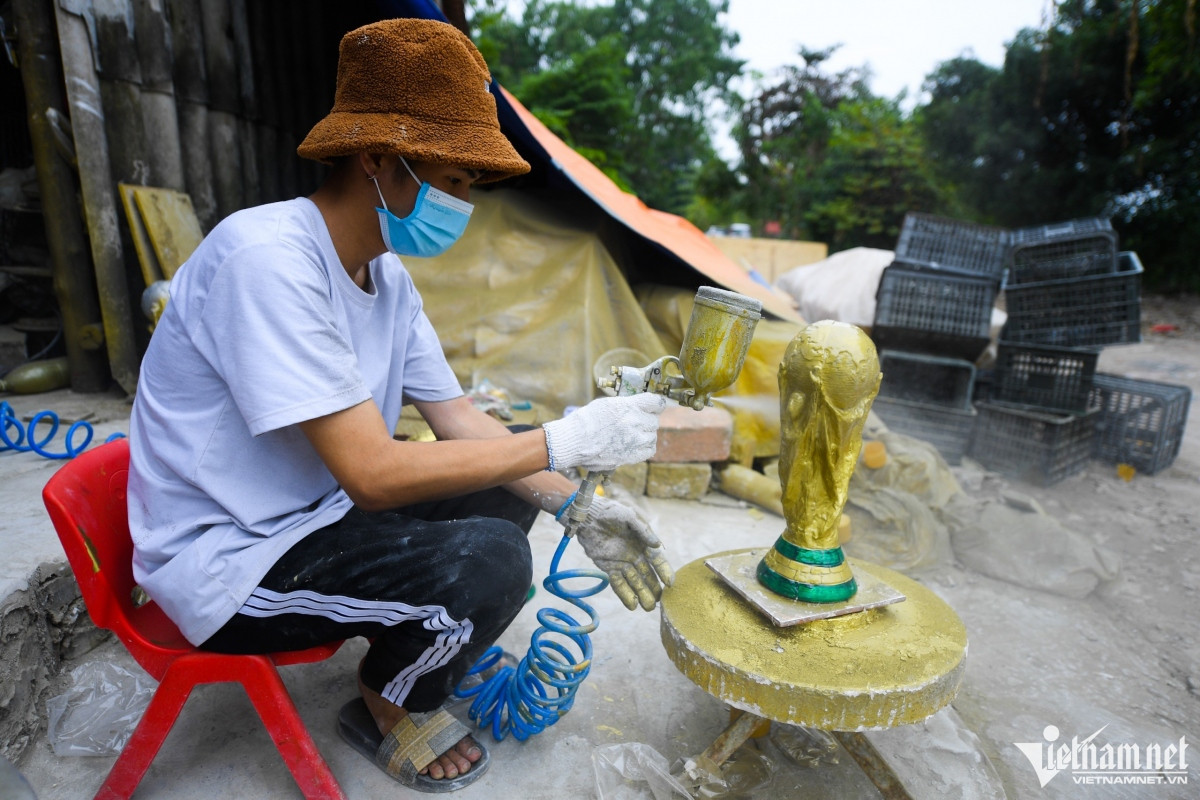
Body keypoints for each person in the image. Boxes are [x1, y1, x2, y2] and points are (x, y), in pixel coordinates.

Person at [127, 17, 674, 793]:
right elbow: (373, 477)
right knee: (491, 559)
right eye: (453, 181)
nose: (464, 205)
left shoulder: (386, 279)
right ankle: (387, 701)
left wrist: (576, 503)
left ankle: (415, 644)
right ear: (379, 159)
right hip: (229, 558)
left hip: (309, 515)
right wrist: (562, 438)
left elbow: (457, 419)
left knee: (497, 475)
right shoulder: (267, 260)